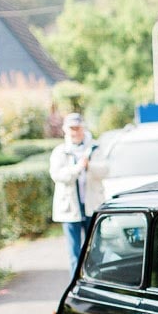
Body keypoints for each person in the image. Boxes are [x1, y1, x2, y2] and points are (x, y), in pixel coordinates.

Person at [50, 113, 106, 272]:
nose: (75, 132)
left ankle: (95, 283)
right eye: (71, 128)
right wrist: (78, 167)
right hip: (70, 209)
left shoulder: (95, 148)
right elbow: (58, 175)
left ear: (83, 128)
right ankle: (76, 287)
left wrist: (89, 166)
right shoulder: (60, 152)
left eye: (78, 128)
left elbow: (106, 169)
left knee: (96, 249)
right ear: (65, 130)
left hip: (92, 205)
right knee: (74, 252)